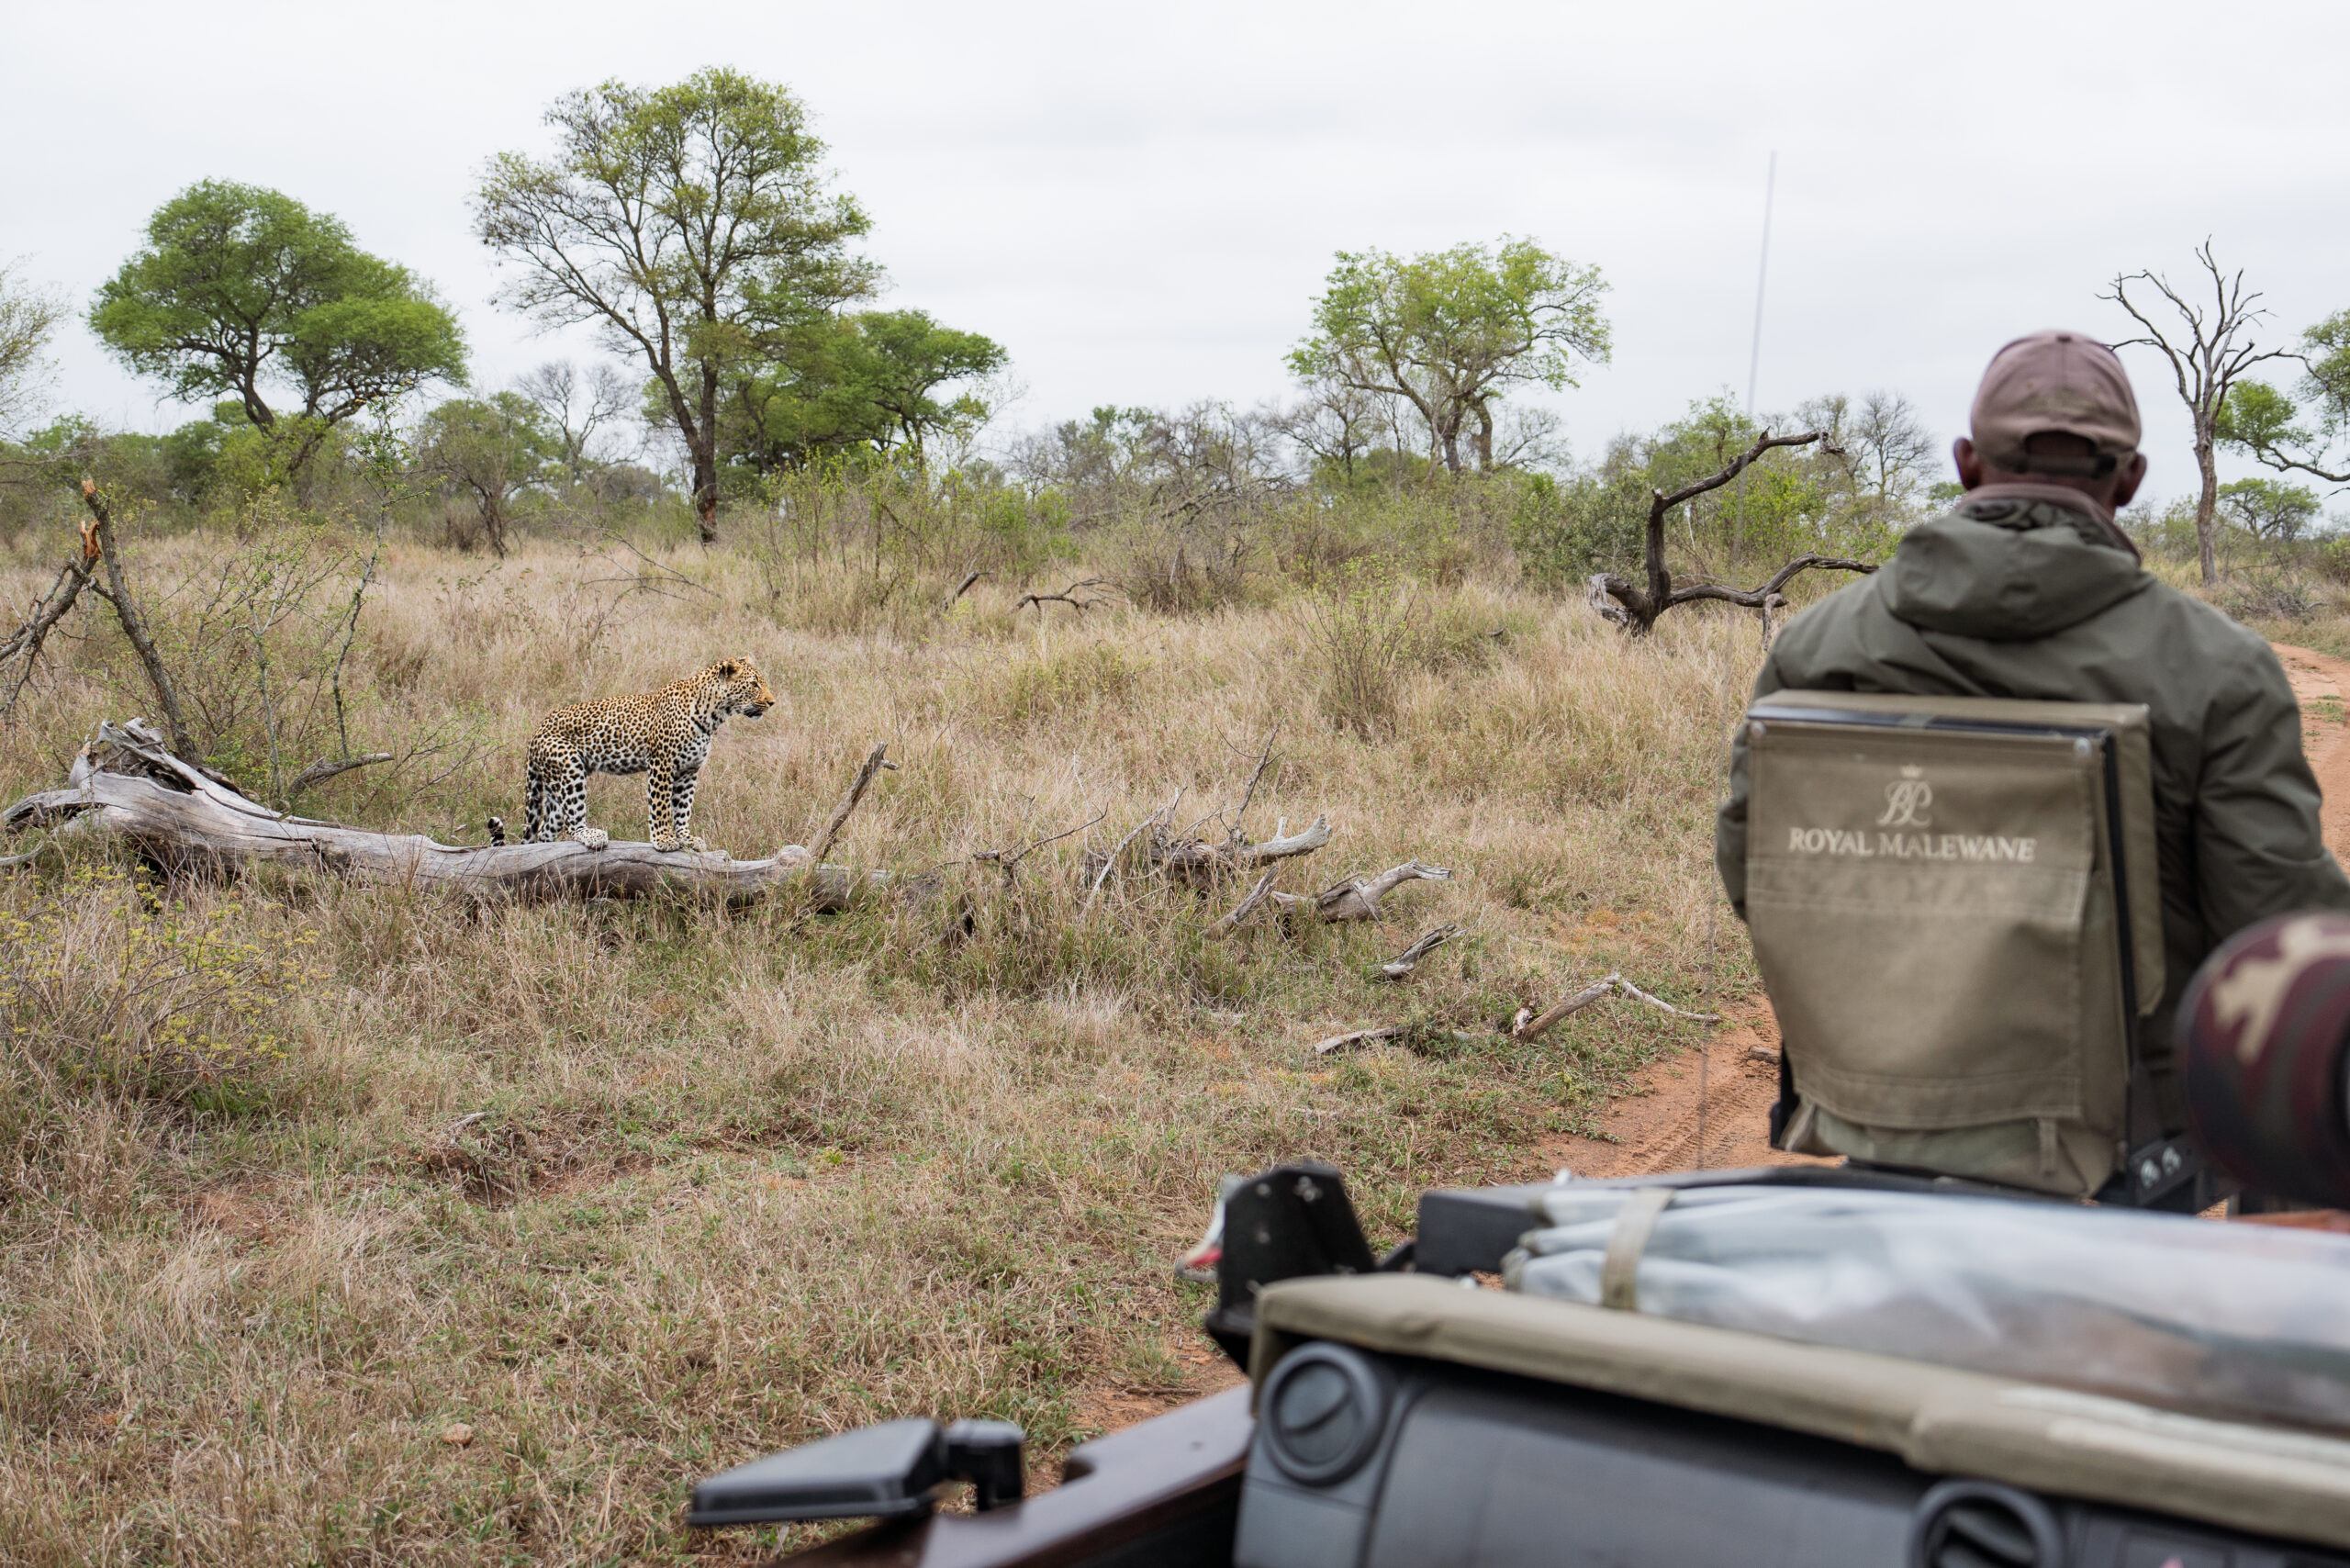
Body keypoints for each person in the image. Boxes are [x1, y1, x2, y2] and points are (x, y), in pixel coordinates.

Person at [1716, 329, 2350, 1130]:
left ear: (1966, 463)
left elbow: (1752, 867)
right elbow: (2281, 934)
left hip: (1873, 1108)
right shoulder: (2218, 667)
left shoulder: (1818, 645)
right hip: (2127, 1139)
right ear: (2130, 479)